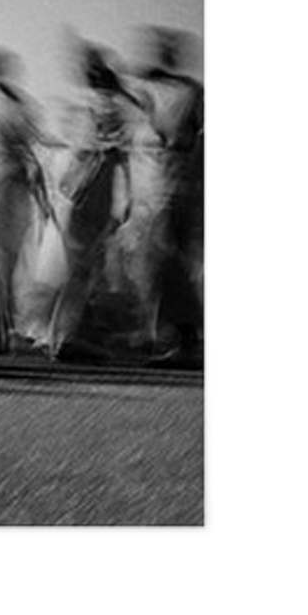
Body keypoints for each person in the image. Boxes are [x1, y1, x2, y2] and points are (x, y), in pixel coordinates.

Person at [46, 40, 142, 362]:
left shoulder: (85, 107)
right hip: (93, 191)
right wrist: (126, 197)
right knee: (84, 267)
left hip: (79, 190)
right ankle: (66, 338)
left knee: (83, 267)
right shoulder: (108, 108)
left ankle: (66, 335)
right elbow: (118, 154)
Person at [0, 45, 55, 353]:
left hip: (7, 188)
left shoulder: (16, 108)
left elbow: (29, 153)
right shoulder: (5, 106)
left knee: (3, 260)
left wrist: (41, 196)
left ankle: (2, 330)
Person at [133, 28, 206, 367]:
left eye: (166, 48)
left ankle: (186, 339)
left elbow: (198, 137)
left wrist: (194, 180)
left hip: (181, 182)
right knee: (157, 258)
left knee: (167, 257)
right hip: (165, 180)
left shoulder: (192, 93)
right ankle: (175, 335)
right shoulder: (159, 92)